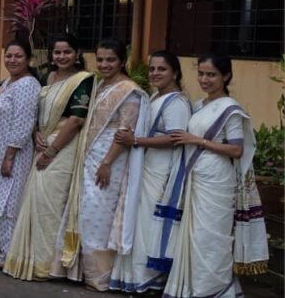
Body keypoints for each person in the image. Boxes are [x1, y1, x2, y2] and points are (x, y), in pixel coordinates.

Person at [149, 54, 268, 297]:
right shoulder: (199, 105)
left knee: (211, 237)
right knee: (192, 235)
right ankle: (190, 288)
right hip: (196, 175)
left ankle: (214, 290)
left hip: (217, 180)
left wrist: (198, 140)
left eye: (211, 75)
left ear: (226, 76)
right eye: (201, 74)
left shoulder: (230, 110)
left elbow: (236, 150)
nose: (204, 79)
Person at [51, 39, 148, 291]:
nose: (104, 65)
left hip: (110, 161)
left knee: (99, 215)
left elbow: (125, 132)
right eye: (101, 60)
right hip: (89, 156)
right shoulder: (100, 85)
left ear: (122, 61)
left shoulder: (128, 91)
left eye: (111, 60)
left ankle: (100, 277)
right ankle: (78, 269)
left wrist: (107, 162)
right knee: (82, 212)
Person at [3, 34, 93, 280]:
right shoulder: (46, 78)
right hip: (42, 142)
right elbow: (33, 112)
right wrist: (35, 133)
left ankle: (48, 266)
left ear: (77, 54)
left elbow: (76, 120)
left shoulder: (83, 80)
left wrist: (52, 151)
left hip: (63, 147)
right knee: (35, 201)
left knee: (50, 204)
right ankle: (29, 260)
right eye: (57, 52)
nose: (62, 57)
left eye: (67, 52)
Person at [109, 51, 191, 292]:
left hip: (161, 170)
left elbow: (175, 138)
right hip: (147, 166)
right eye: (152, 69)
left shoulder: (176, 102)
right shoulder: (156, 97)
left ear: (175, 73)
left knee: (148, 223)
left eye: (162, 69)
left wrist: (136, 140)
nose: (155, 73)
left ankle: (148, 278)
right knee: (138, 221)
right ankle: (133, 277)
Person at [0, 40, 42, 269]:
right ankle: (7, 251)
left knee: (10, 204)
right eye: (9, 56)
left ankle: (9, 255)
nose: (12, 60)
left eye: (18, 56)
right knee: (2, 202)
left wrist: (10, 156)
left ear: (28, 59)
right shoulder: (8, 82)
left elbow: (24, 122)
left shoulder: (27, 84)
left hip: (14, 152)